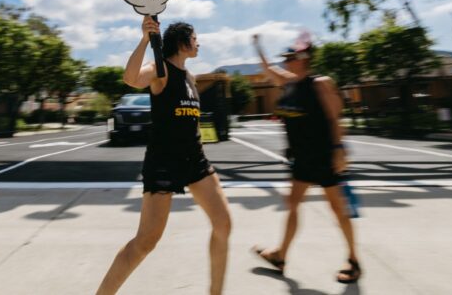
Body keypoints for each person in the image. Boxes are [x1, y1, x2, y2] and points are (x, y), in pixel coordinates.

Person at [97, 16, 232, 295]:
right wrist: (145, 39)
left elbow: (190, 122)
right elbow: (131, 78)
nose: (199, 43)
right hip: (163, 162)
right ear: (183, 43)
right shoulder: (161, 71)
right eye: (195, 39)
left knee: (224, 223)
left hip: (195, 160)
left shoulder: (190, 78)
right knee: (146, 241)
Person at [251, 32, 361, 284]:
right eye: (287, 57)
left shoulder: (320, 83)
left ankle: (354, 261)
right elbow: (267, 67)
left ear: (304, 58)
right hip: (301, 159)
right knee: (292, 204)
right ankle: (280, 255)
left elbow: (335, 119)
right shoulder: (288, 82)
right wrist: (258, 45)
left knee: (337, 209)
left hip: (323, 156)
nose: (287, 61)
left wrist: (339, 151)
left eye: (291, 57)